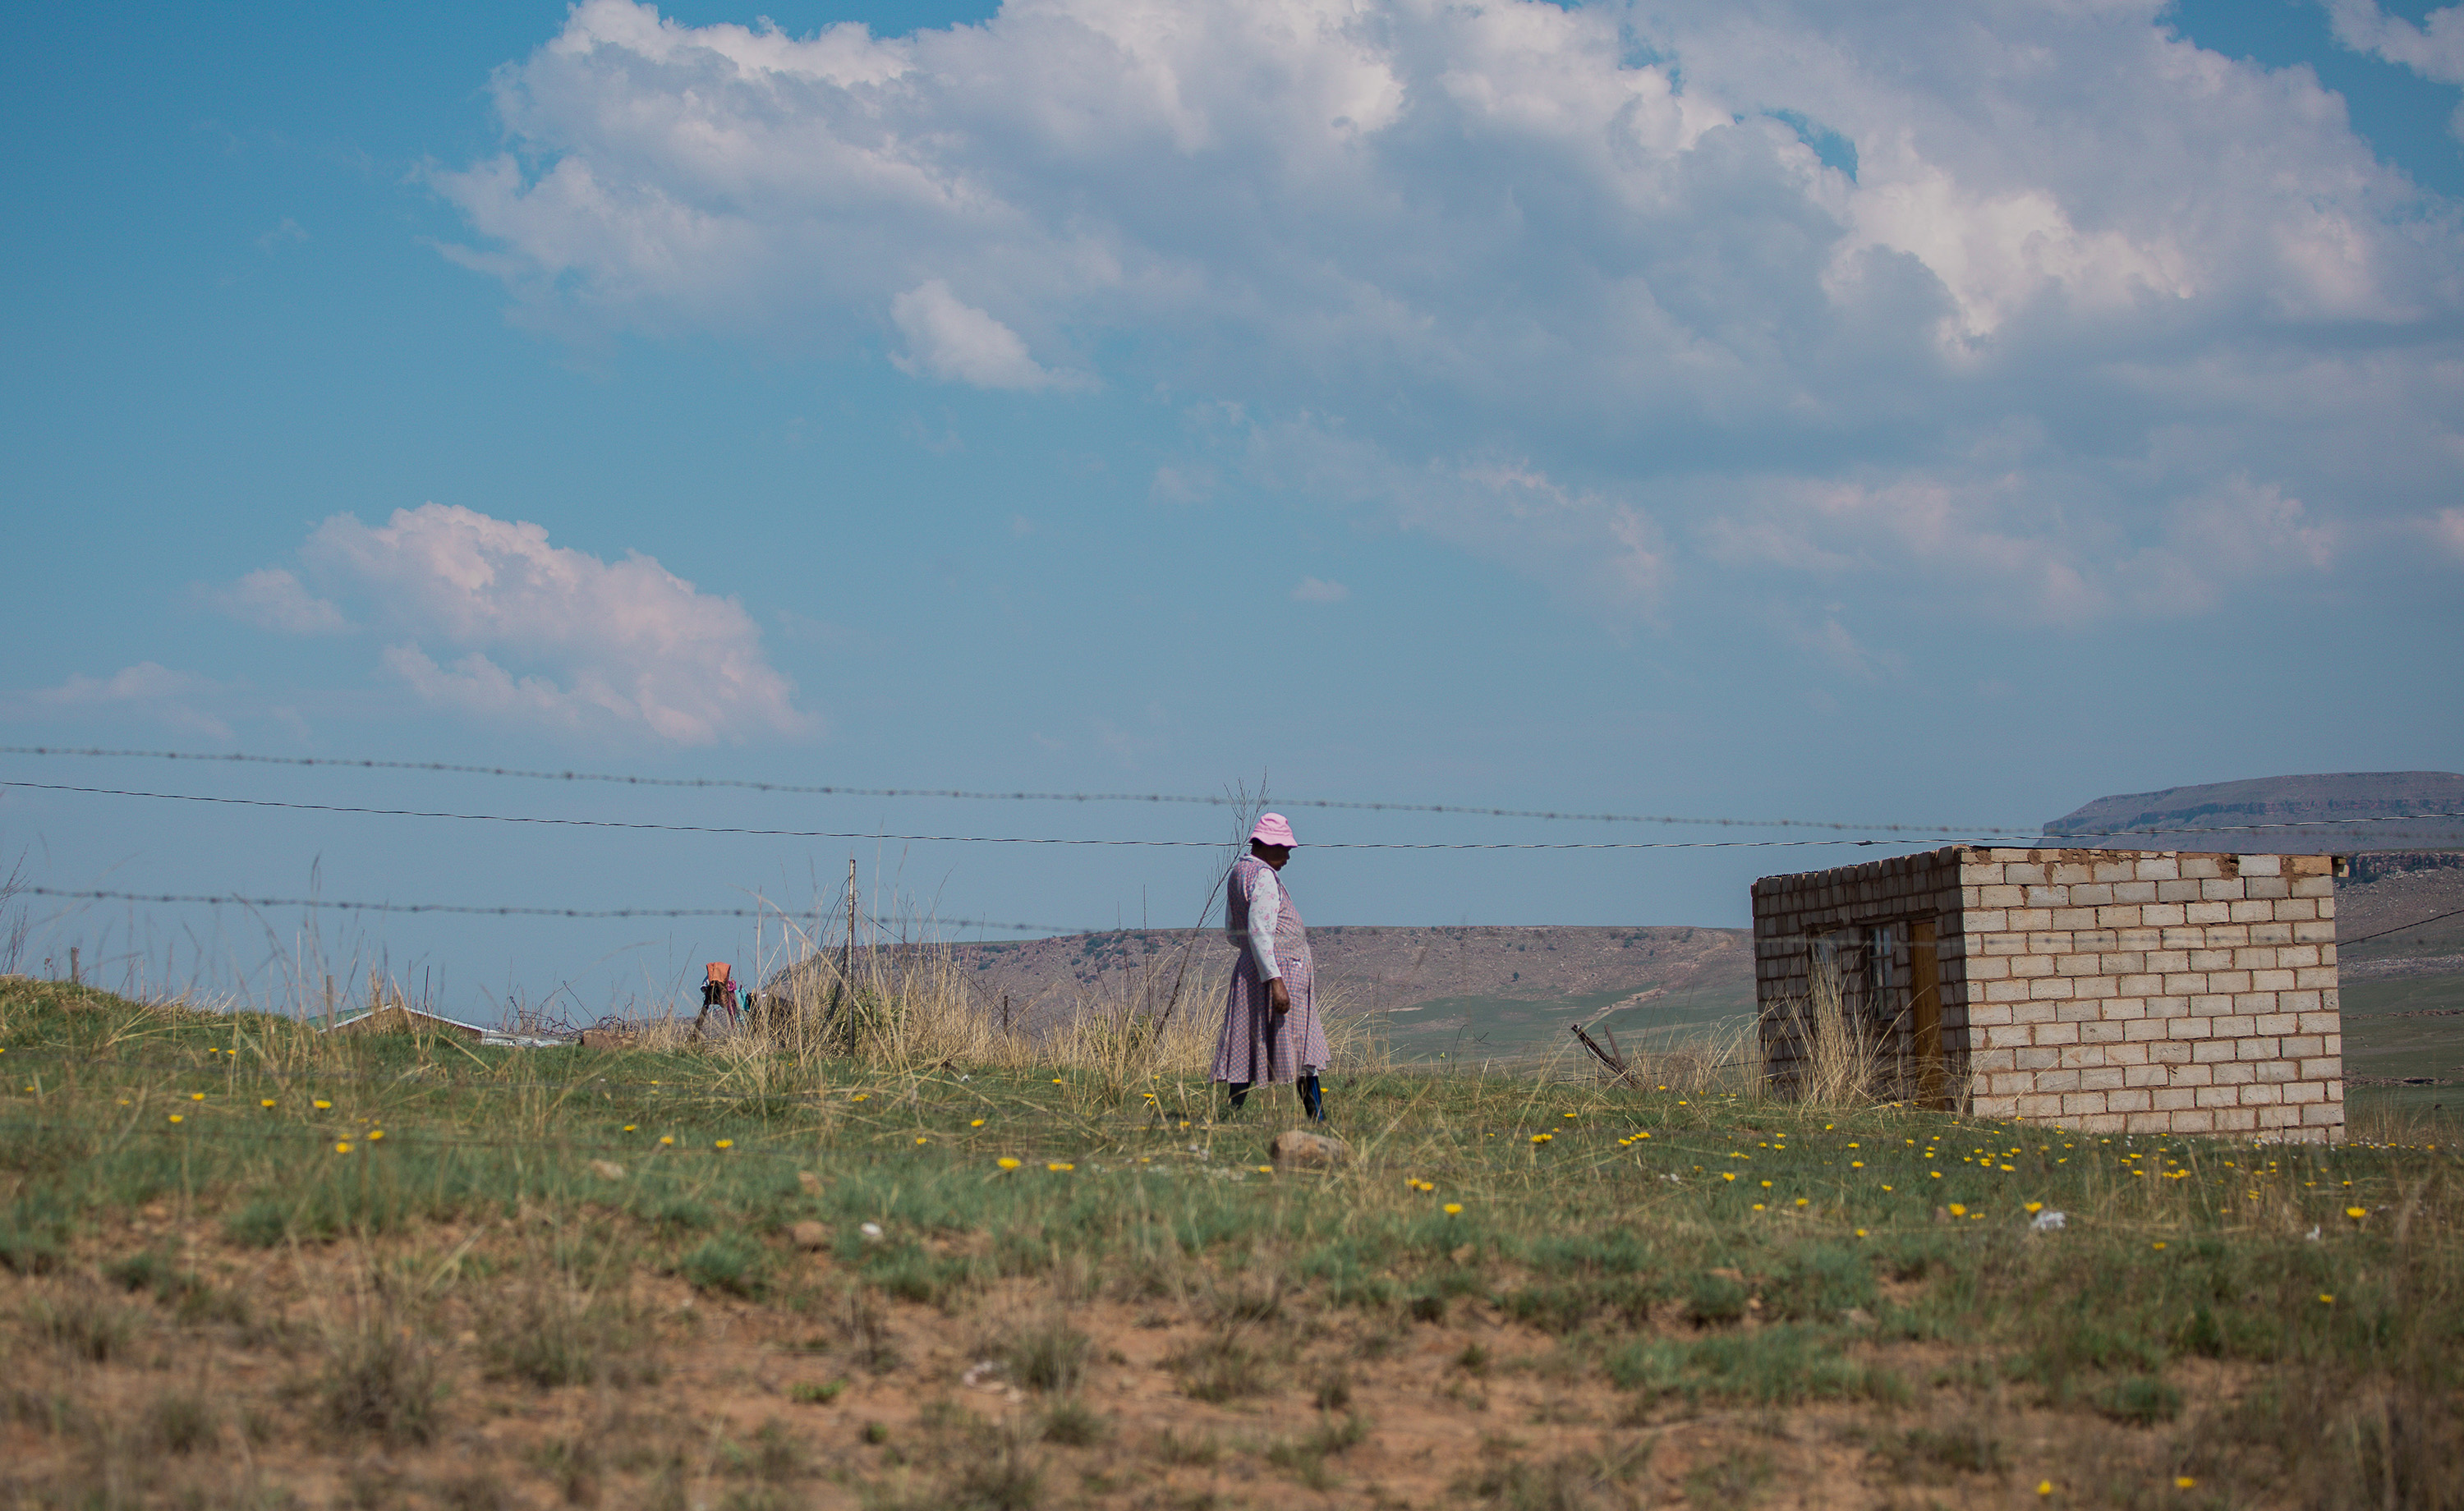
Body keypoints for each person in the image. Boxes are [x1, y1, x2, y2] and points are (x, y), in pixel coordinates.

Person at [1211, 812, 1330, 1122]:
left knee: (1246, 1042)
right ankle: (1317, 1118)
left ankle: (1231, 1115)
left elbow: (1233, 931)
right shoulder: (1262, 876)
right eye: (1283, 848)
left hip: (1255, 969)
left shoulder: (1240, 872)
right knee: (1301, 1048)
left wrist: (1254, 961)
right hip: (1279, 973)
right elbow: (1259, 931)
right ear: (1266, 844)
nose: (1288, 856)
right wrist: (1276, 979)